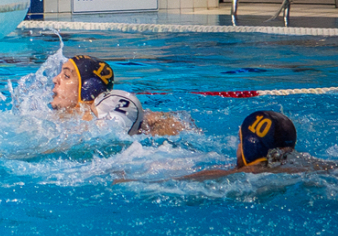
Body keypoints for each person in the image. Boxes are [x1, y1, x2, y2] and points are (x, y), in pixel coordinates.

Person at [176, 110, 338, 180]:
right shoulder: (316, 167)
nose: (238, 147)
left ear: (250, 146)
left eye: (240, 141)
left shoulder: (228, 176)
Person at [50, 54, 186, 136]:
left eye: (66, 76)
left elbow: (179, 125)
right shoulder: (56, 119)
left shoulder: (111, 113)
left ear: (87, 89)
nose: (55, 79)